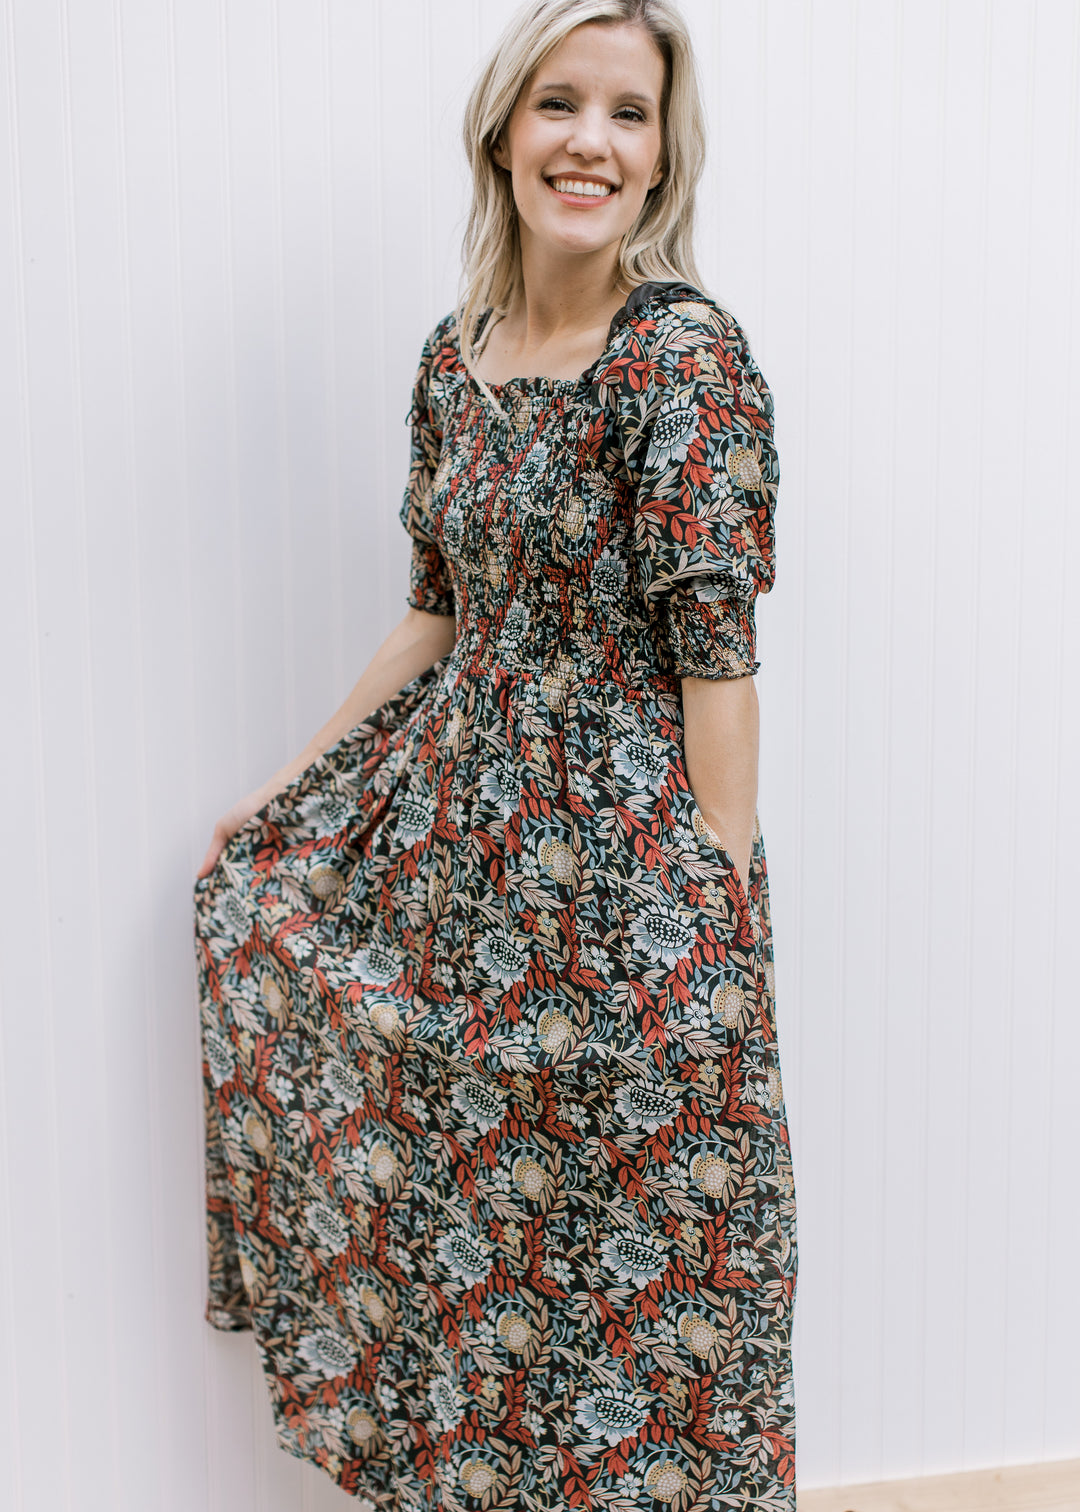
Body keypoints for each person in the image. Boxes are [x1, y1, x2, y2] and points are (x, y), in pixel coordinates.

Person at [194, 0, 797, 1506]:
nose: (591, 140)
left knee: (637, 1279)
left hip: (623, 880)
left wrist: (712, 902)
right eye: (559, 104)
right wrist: (291, 787)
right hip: (458, 862)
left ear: (664, 159)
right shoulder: (452, 359)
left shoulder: (684, 360)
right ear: (501, 133)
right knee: (470, 1247)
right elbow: (432, 619)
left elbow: (719, 658)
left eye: (630, 114)